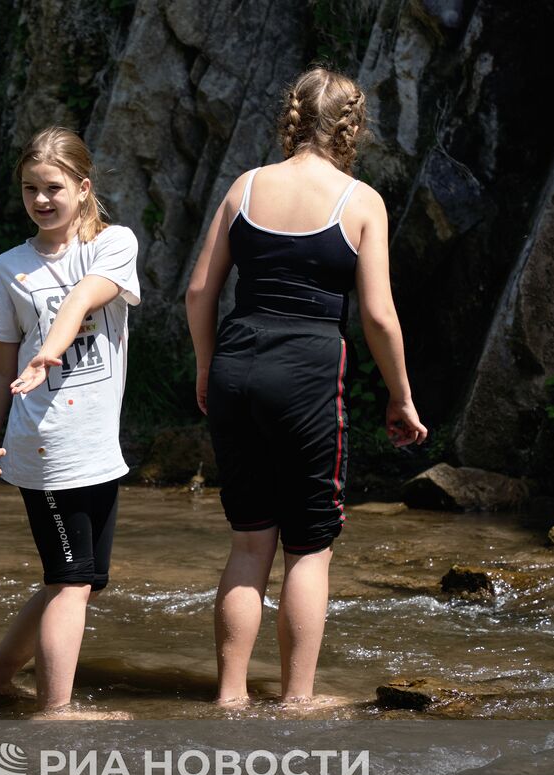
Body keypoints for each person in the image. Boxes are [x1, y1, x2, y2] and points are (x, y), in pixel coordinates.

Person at [185, 66, 428, 704]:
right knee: (308, 549)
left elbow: (198, 291)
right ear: (352, 127)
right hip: (309, 374)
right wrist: (400, 397)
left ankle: (230, 697)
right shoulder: (361, 200)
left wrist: (208, 366)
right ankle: (297, 700)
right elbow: (377, 315)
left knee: (248, 542)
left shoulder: (245, 187)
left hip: (238, 364)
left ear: (291, 117)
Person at [0, 127, 141, 714]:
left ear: (83, 188)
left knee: (79, 578)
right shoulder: (10, 267)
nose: (41, 199)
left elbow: (86, 294)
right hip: (42, 443)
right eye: (29, 189)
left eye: (53, 188)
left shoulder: (112, 244)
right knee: (72, 580)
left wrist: (52, 350)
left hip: (96, 443)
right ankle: (56, 714)